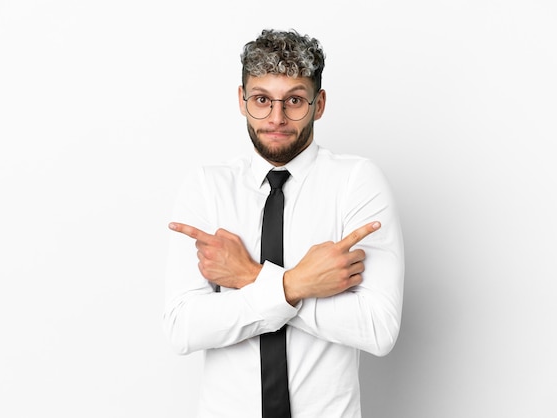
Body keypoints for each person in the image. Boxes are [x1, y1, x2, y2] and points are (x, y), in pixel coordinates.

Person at [163, 28, 404, 418]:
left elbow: (378, 329)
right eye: (261, 100)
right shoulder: (207, 186)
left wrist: (247, 277)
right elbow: (183, 328)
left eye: (294, 100)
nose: (276, 118)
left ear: (319, 103)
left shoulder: (356, 182)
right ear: (241, 101)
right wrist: (298, 284)